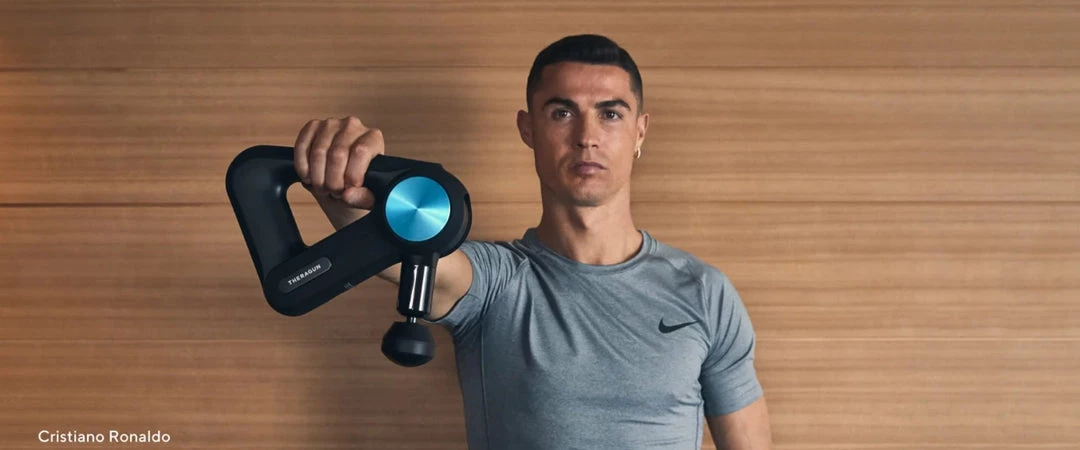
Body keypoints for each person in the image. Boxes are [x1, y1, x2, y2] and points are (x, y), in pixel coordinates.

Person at [292, 34, 772, 450]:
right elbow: (396, 253)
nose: (587, 137)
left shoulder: (704, 293)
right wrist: (340, 179)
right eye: (562, 112)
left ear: (639, 131)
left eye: (610, 114)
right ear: (528, 129)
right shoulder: (494, 284)